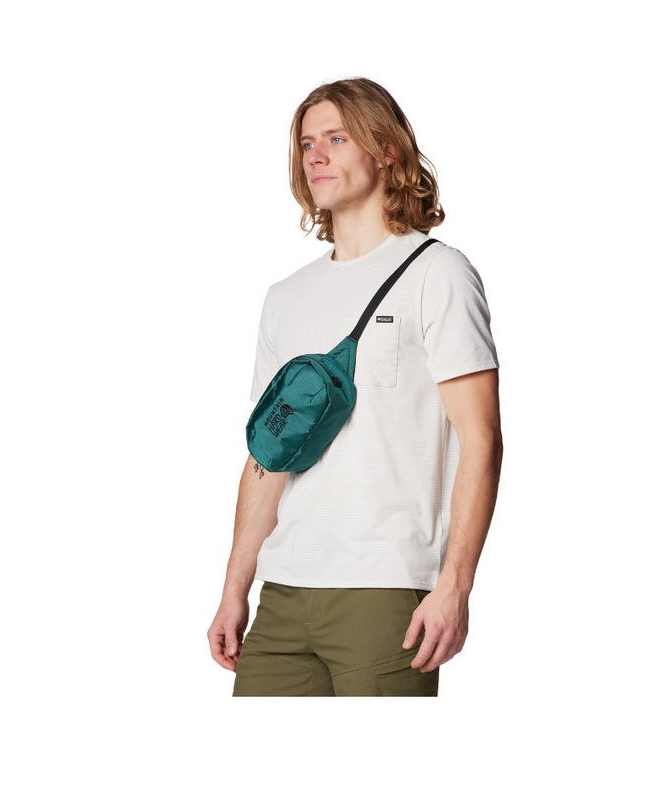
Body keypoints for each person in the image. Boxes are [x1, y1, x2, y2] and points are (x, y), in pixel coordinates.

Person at [207, 77, 503, 696]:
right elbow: (268, 458)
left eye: (337, 138)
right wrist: (235, 588)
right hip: (283, 593)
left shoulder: (438, 273)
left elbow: (481, 441)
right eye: (307, 143)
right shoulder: (285, 297)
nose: (316, 155)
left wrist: (454, 586)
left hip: (385, 590)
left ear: (386, 150)